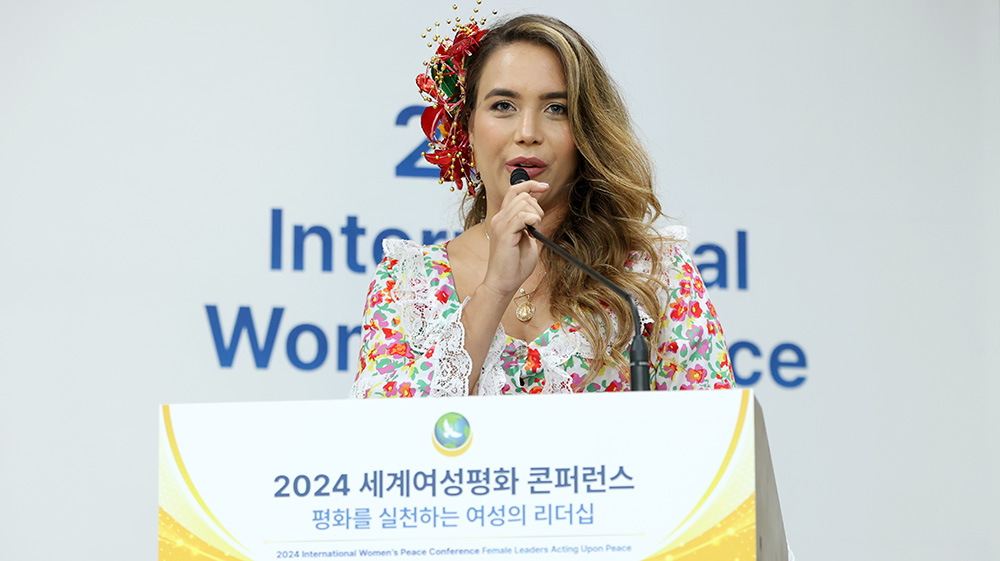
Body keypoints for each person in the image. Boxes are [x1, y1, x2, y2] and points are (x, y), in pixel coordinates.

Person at [351, 13, 734, 398]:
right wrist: (494, 290)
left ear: (586, 130)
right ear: (468, 127)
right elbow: (380, 429)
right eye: (503, 105)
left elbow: (715, 426)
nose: (528, 133)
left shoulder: (653, 274)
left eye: (556, 109)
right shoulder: (410, 282)